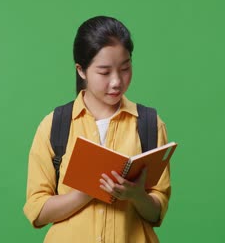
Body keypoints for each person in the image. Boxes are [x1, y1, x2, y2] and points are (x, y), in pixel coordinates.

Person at [23, 16, 171, 242]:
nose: (116, 82)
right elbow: (37, 211)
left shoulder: (149, 124)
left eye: (125, 68)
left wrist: (136, 195)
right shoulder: (54, 125)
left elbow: (156, 213)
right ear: (81, 70)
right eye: (104, 72)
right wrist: (87, 192)